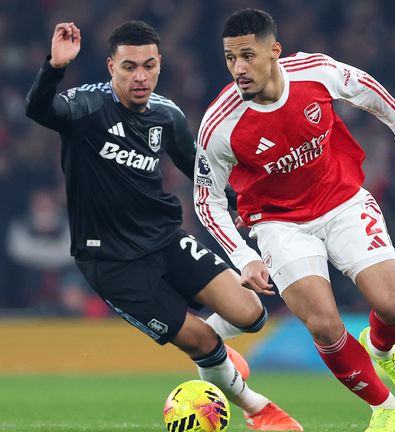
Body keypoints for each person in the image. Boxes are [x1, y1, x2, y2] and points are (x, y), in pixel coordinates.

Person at [25, 21, 301, 430]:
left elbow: (198, 169)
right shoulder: (85, 108)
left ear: (160, 65)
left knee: (251, 313)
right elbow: (38, 109)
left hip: (166, 239)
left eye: (148, 66)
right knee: (205, 343)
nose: (140, 76)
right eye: (129, 67)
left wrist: (243, 202)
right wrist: (55, 66)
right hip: (112, 262)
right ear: (110, 67)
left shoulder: (167, 115)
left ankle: (217, 361)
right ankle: (260, 410)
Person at [195, 9, 395, 432]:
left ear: (274, 51)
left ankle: (381, 349)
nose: (239, 68)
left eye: (248, 56)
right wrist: (244, 257)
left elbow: (364, 87)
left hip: (343, 201)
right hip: (279, 224)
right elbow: (206, 200)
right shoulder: (220, 125)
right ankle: (385, 409)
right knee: (325, 325)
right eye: (230, 58)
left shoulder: (315, 72)